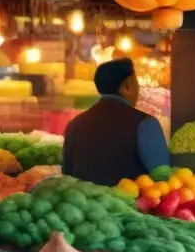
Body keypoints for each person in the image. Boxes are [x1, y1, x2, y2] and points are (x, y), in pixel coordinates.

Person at [62, 58, 170, 186]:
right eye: (136, 83)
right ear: (127, 87)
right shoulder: (145, 124)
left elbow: (67, 175)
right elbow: (163, 176)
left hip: (84, 204)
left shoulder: (74, 125)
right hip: (130, 204)